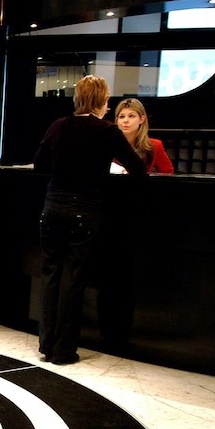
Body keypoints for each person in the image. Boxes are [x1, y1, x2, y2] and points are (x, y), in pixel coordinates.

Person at [32, 75, 147, 365]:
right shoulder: (107, 131)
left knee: (50, 274)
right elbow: (138, 168)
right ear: (101, 100)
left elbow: (39, 165)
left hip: (52, 206)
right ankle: (63, 349)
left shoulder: (58, 126)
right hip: (84, 210)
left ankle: (47, 343)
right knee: (73, 278)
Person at [112, 97, 174, 174]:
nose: (125, 120)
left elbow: (168, 173)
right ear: (117, 121)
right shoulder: (107, 145)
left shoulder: (155, 145)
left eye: (131, 116)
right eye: (122, 117)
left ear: (142, 119)